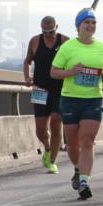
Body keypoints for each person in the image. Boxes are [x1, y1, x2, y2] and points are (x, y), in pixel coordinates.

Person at [49, 8, 103, 200]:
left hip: (93, 99)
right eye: (87, 22)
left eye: (93, 22)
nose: (90, 25)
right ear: (78, 26)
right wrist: (71, 72)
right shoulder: (68, 47)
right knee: (72, 145)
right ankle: (78, 169)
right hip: (70, 99)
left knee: (87, 141)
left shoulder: (102, 48)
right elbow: (53, 72)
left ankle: (85, 181)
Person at [23, 16, 68, 174]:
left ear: (57, 27)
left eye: (51, 32)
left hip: (59, 89)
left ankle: (53, 161)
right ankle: (47, 148)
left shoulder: (65, 42)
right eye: (45, 32)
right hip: (40, 89)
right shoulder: (35, 41)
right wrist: (27, 77)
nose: (48, 35)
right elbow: (27, 61)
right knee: (41, 130)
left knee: (56, 122)